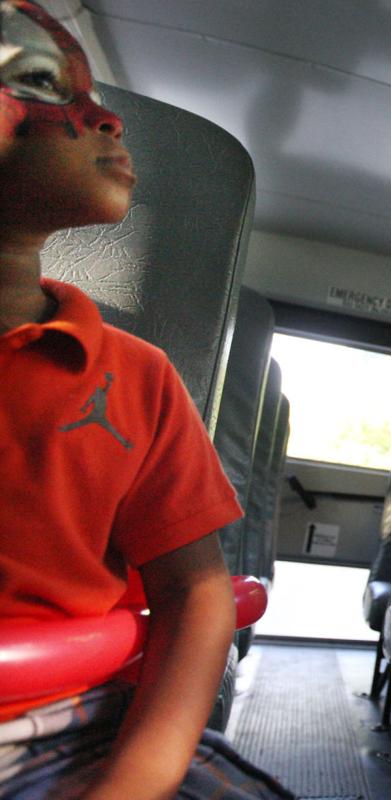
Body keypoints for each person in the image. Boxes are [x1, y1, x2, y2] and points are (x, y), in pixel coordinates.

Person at [0, 3, 290, 797]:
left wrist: (138, 781)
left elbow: (196, 590)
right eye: (36, 82)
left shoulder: (136, 378)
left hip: (61, 727)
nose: (105, 118)